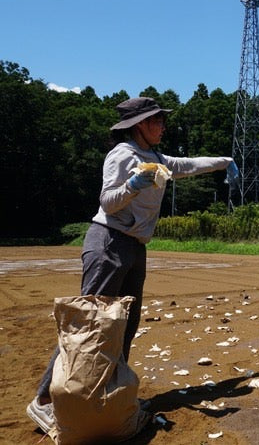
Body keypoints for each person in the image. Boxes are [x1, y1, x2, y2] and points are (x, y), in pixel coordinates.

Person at [27, 96, 240, 434]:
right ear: (140, 124)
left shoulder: (155, 157)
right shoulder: (123, 155)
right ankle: (44, 401)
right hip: (108, 242)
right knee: (89, 325)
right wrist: (133, 184)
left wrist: (224, 161)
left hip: (135, 248)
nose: (163, 126)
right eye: (157, 120)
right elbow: (108, 202)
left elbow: (186, 165)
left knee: (124, 325)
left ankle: (110, 395)